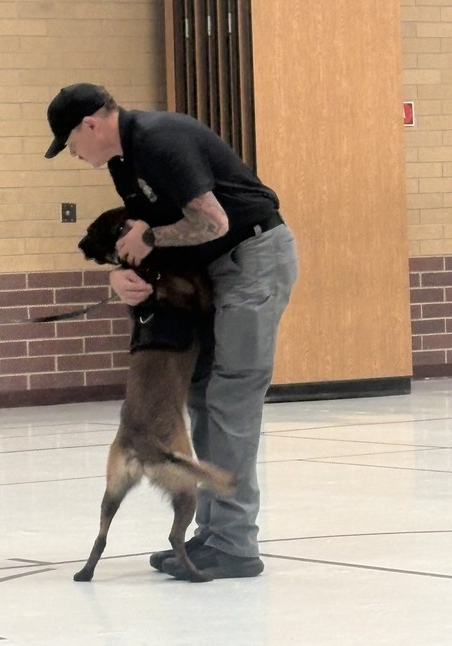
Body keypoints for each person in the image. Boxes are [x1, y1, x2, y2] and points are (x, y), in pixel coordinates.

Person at [44, 83, 298, 580]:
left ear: (90, 125)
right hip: (210, 271)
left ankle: (236, 545)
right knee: (201, 394)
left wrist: (152, 238)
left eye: (70, 143)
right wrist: (122, 275)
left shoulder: (161, 139)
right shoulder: (123, 163)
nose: (73, 153)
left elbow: (213, 221)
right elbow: (142, 237)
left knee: (231, 396)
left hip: (252, 258)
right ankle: (211, 535)